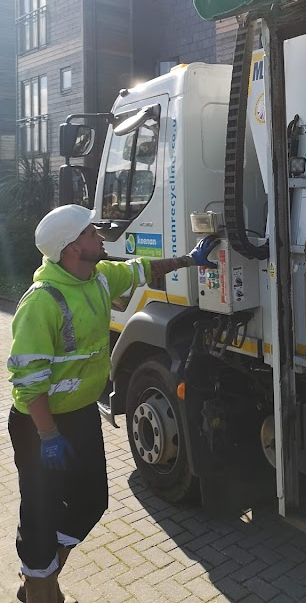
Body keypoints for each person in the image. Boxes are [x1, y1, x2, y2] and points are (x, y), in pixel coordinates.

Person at [7, 204, 217, 603]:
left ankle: (41, 574)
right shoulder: (41, 302)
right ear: (71, 249)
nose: (99, 238)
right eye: (90, 234)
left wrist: (189, 260)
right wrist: (48, 434)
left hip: (81, 416)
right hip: (40, 425)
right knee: (40, 510)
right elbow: (28, 383)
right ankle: (41, 591)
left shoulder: (98, 277)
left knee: (92, 501)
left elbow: (143, 269)